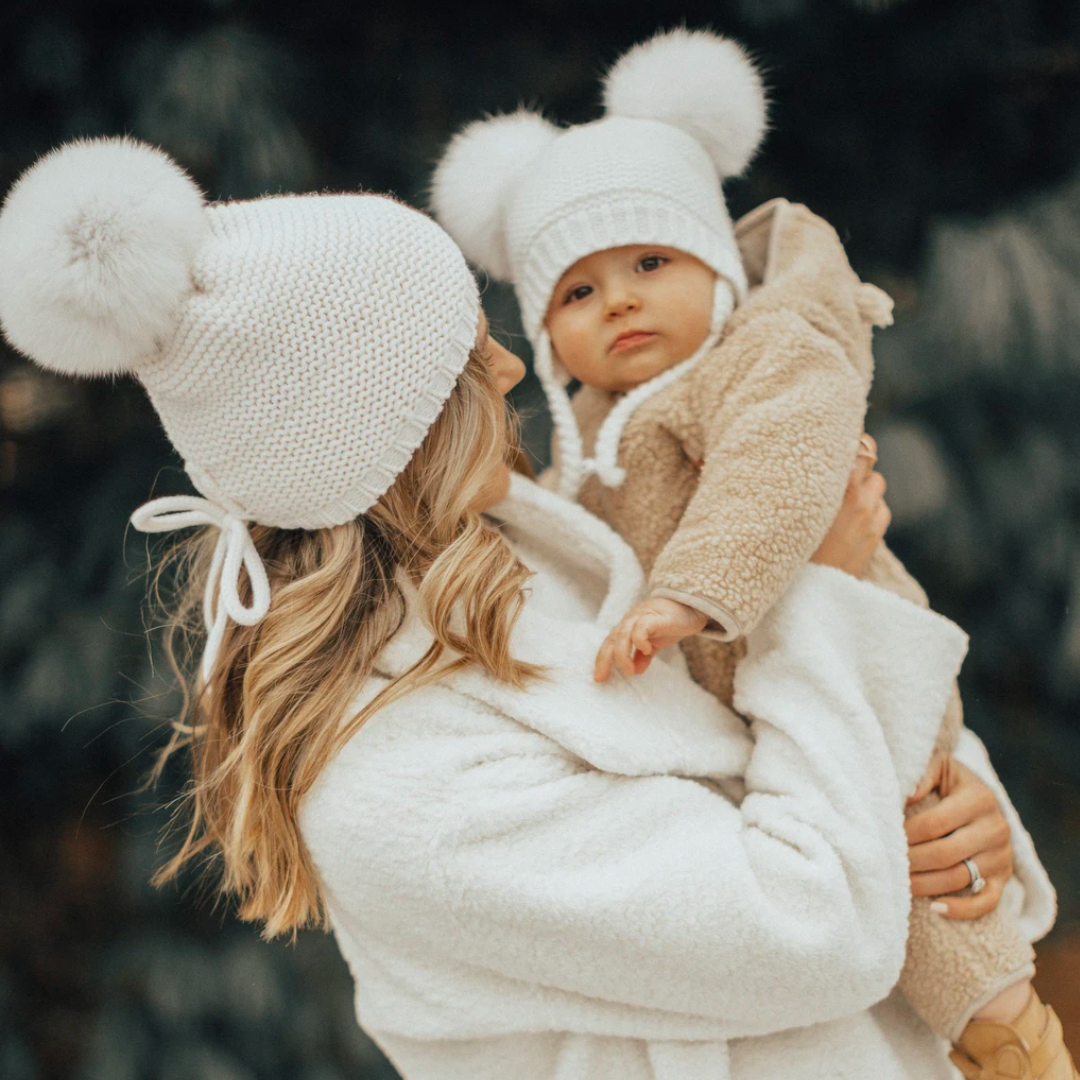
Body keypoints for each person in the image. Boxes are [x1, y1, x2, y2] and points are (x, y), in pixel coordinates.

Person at [0, 136, 1056, 1080]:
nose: (513, 362)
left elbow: (801, 737)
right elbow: (810, 926)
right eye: (465, 357)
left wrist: (964, 824)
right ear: (388, 433)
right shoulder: (391, 778)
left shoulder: (547, 550)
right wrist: (813, 590)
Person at [430, 27, 1072, 1078]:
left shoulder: (763, 355)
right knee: (885, 872)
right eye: (578, 293)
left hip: (854, 676)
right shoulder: (582, 440)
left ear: (719, 266)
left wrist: (690, 594)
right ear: (544, 337)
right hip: (757, 736)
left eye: (648, 262)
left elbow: (782, 467)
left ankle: (1015, 1039)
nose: (621, 300)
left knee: (924, 872)